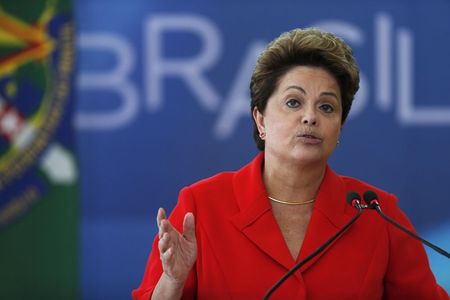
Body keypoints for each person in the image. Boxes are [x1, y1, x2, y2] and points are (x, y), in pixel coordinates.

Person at [133, 28, 448, 299]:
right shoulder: (201, 206)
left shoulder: (377, 214)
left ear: (339, 127)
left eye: (327, 107)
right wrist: (173, 282)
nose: (310, 116)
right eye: (293, 102)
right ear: (260, 120)